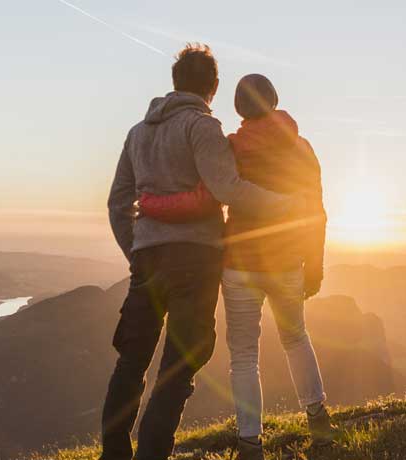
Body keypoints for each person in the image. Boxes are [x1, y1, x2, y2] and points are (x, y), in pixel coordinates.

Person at [102, 44, 295, 460]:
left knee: (131, 361)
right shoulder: (202, 127)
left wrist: (135, 249)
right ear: (214, 87)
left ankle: (114, 453)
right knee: (177, 366)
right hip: (195, 259)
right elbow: (229, 190)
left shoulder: (138, 133)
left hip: (148, 260)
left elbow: (118, 202)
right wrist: (284, 204)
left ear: (174, 83)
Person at [137, 73, 333, 459]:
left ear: (239, 108)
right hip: (287, 262)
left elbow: (216, 193)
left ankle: (249, 444)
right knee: (296, 338)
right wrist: (316, 264)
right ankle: (318, 420)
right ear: (274, 100)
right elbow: (316, 211)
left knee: (244, 354)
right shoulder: (302, 148)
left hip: (240, 264)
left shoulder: (231, 149)